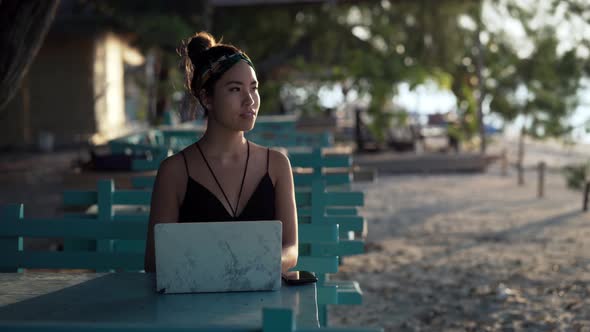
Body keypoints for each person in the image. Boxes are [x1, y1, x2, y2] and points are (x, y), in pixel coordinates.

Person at [144, 32, 298, 276]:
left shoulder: (277, 164)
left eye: (254, 88)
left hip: (261, 298)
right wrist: (223, 269)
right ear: (207, 98)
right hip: (193, 306)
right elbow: (154, 261)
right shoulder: (174, 171)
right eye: (235, 89)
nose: (250, 100)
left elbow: (290, 248)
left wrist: (259, 266)